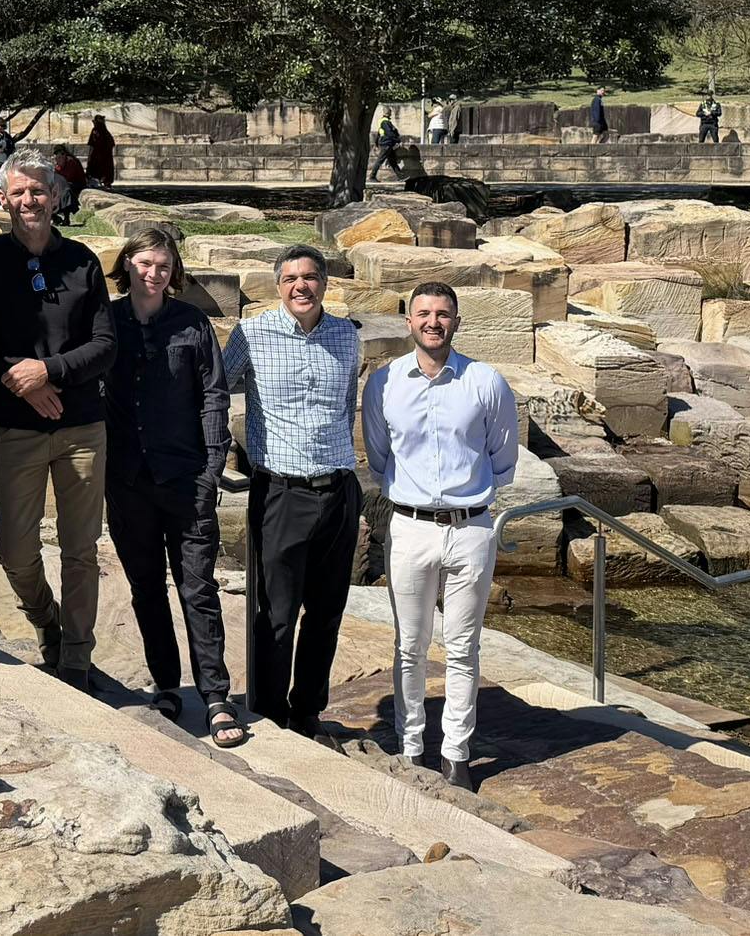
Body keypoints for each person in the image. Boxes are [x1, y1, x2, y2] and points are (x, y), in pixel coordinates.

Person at [361, 282, 517, 792]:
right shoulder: (384, 384)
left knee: (463, 646)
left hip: (471, 528)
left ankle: (456, 753)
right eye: (424, 313)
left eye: (443, 314)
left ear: (457, 322)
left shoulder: (486, 382)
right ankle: (410, 746)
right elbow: (380, 456)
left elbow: (503, 457)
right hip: (408, 527)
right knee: (409, 645)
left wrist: (465, 498)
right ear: (408, 321)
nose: (433, 322)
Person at [0, 149, 115, 690]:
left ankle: (77, 658)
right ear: (4, 198)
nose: (30, 201)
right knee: (14, 548)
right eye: (20, 192)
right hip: (20, 426)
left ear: (55, 197)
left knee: (80, 550)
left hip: (82, 426)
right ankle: (47, 623)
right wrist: (23, 382)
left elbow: (105, 345)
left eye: (39, 191)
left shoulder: (81, 260)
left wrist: (50, 371)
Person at [104, 226, 243, 746]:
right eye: (144, 263)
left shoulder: (192, 323)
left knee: (198, 588)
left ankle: (215, 695)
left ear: (173, 271)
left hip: (186, 476)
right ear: (128, 264)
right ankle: (166, 685)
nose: (153, 273)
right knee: (145, 588)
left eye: (162, 265)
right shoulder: (109, 321)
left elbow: (213, 395)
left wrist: (211, 468)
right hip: (127, 479)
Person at [222, 245, 361, 736]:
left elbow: (347, 405)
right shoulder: (251, 333)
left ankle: (307, 712)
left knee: (326, 611)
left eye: (310, 277)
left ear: (325, 283)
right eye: (290, 279)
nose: (301, 286)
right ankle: (268, 712)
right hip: (281, 491)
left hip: (339, 490)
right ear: (278, 286)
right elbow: (216, 391)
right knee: (275, 614)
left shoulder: (347, 335)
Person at [51, 143, 87, 226]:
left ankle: (66, 218)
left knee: (64, 191)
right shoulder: (59, 165)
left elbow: (68, 178)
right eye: (56, 155)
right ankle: (55, 217)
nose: (57, 158)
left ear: (64, 154)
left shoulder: (71, 162)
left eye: (59, 155)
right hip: (66, 184)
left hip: (76, 185)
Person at [370, 109, 401, 181]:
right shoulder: (385, 122)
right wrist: (397, 140)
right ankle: (372, 176)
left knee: (392, 161)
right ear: (389, 113)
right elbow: (389, 133)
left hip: (387, 143)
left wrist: (377, 142)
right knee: (380, 160)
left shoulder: (383, 121)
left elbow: (379, 133)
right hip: (386, 143)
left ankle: (401, 176)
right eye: (389, 112)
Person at [86, 114, 115, 188]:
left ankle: (101, 181)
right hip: (104, 157)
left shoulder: (96, 131)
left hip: (98, 157)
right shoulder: (105, 132)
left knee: (96, 170)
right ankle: (103, 182)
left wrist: (90, 156)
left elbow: (92, 144)